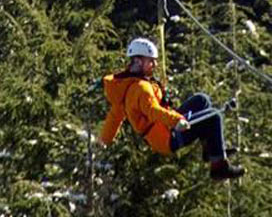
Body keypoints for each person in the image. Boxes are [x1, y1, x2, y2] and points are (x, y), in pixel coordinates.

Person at [99, 36, 243, 181]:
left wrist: (104, 140)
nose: (154, 64)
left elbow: (115, 116)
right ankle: (219, 168)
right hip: (166, 136)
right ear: (138, 61)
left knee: (201, 100)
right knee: (214, 117)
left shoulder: (127, 85)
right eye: (151, 61)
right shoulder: (141, 88)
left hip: (164, 125)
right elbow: (153, 110)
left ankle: (210, 150)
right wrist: (176, 121)